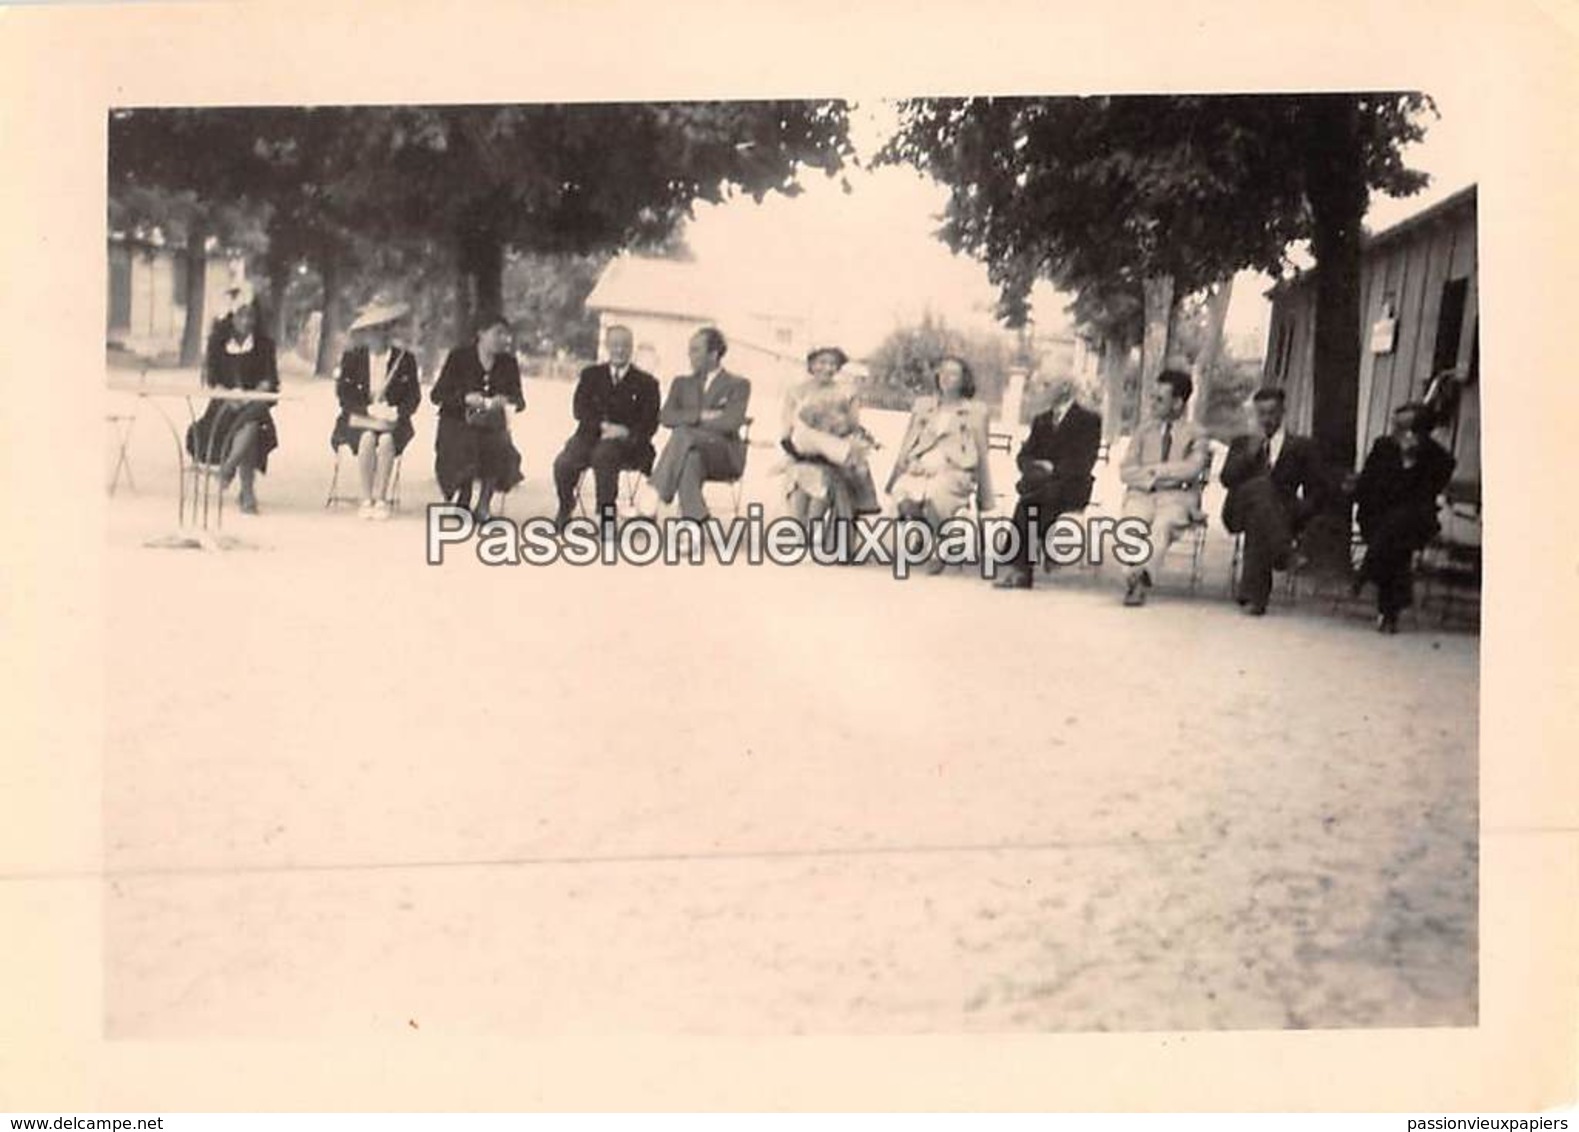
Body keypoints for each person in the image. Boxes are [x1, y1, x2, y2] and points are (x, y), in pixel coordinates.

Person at [1218, 387, 1328, 615]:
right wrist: (1248, 455)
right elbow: (1226, 480)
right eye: (1262, 414)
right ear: (1255, 415)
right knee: (1260, 488)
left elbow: (1316, 490)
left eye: (1272, 413)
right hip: (1239, 509)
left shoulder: (1301, 446)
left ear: (1282, 412)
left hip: (1281, 514)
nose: (1267, 419)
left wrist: (1301, 513)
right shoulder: (1242, 443)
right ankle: (1285, 552)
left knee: (1259, 518)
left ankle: (1254, 598)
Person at [885, 355, 996, 575]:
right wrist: (909, 462)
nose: (946, 377)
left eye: (953, 373)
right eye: (942, 372)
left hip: (955, 469)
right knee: (902, 491)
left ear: (964, 379)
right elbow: (909, 440)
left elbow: (981, 452)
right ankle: (922, 527)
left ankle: (940, 545)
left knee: (936, 492)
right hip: (921, 467)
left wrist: (984, 496)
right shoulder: (924, 406)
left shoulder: (976, 411)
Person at [1352, 402, 1456, 633]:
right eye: (1395, 426)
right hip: (1377, 519)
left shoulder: (1439, 460)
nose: (1395, 432)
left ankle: (1369, 573)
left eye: (1402, 427)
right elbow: (1366, 487)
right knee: (1395, 541)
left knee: (1399, 525)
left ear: (1419, 432)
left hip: (1416, 522)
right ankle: (1389, 614)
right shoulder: (1383, 447)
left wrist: (1409, 464)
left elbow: (1421, 497)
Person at [993, 376, 1102, 589]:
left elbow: (1085, 460)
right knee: (1033, 500)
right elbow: (1023, 456)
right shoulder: (1041, 420)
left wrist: (1053, 469)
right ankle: (1039, 551)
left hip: (1073, 484)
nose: (1041, 388)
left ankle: (1021, 569)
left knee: (1030, 503)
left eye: (1046, 384)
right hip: (1041, 486)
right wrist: (1036, 466)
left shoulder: (1089, 420)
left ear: (1065, 388)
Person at [550, 325, 660, 531]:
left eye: (625, 345)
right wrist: (602, 426)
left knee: (605, 454)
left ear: (631, 349)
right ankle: (565, 506)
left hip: (630, 445)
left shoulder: (647, 383)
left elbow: (650, 422)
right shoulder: (591, 375)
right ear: (607, 346)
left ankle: (606, 518)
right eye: (615, 345)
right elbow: (579, 409)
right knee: (563, 463)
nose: (619, 350)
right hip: (589, 437)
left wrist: (625, 432)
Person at [1117, 369, 1209, 606]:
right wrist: (1163, 476)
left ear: (1178, 403)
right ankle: (1135, 576)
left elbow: (1193, 468)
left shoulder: (1196, 434)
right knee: (1131, 522)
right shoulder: (1143, 431)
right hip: (1143, 494)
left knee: (1163, 524)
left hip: (1178, 497)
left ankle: (1140, 580)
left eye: (1160, 399)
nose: (1152, 404)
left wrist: (1154, 471)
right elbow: (1126, 471)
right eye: (1152, 397)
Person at [185, 288, 279, 515]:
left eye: (251, 317)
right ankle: (247, 493)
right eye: (241, 316)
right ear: (231, 318)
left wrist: (251, 395)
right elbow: (213, 381)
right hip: (224, 406)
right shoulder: (218, 344)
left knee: (253, 422)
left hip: (254, 403)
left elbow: (269, 380)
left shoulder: (264, 345)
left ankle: (228, 470)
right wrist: (230, 396)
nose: (246, 322)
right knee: (250, 427)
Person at [778, 345, 880, 548]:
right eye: (822, 362)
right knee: (800, 476)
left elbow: (853, 426)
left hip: (834, 454)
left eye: (833, 364)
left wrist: (846, 443)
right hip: (801, 452)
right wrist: (797, 449)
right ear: (811, 364)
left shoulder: (846, 392)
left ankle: (810, 532)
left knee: (823, 480)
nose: (827, 368)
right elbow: (786, 429)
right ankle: (799, 533)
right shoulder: (796, 391)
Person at [330, 302, 422, 520]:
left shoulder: (405, 359)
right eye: (373, 330)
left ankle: (381, 499)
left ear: (390, 331)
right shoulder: (353, 358)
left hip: (392, 421)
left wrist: (397, 411)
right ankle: (366, 498)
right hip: (358, 420)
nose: (378, 335)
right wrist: (365, 409)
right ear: (365, 334)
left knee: (387, 440)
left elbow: (413, 397)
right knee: (367, 439)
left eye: (383, 329)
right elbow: (344, 394)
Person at [650, 327, 752, 521]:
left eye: (695, 350)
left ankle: (653, 494)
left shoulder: (739, 384)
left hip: (723, 455)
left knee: (683, 433)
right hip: (691, 454)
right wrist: (701, 415)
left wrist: (687, 420)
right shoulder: (681, 383)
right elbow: (665, 417)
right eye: (690, 350)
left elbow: (731, 423)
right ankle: (695, 520)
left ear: (713, 355)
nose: (690, 355)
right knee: (689, 460)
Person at [430, 313, 525, 520]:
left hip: (491, 424)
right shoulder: (459, 357)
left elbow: (519, 400)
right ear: (481, 333)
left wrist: (505, 400)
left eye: (505, 334)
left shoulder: (508, 363)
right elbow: (437, 395)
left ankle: (484, 504)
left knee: (499, 444)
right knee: (466, 443)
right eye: (497, 333)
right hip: (457, 421)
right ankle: (462, 499)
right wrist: (465, 398)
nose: (503, 339)